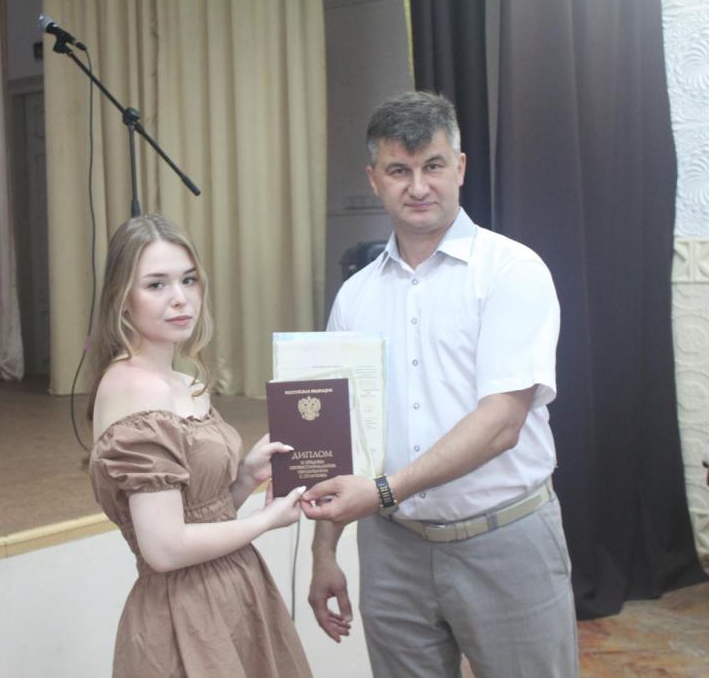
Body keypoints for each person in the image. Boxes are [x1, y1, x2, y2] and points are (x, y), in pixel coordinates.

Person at [301, 91, 579, 677]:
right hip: (392, 550)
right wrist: (325, 550)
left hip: (504, 540)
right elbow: (337, 434)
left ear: (460, 167)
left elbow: (501, 424)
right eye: (399, 170)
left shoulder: (511, 271)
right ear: (374, 179)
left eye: (432, 165)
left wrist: (383, 491)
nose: (419, 186)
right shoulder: (355, 296)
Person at [87, 214, 314, 678]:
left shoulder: (184, 382)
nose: (180, 297)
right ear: (122, 300)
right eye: (156, 284)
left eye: (188, 280)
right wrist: (265, 520)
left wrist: (246, 477)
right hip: (184, 612)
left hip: (235, 590)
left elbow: (197, 515)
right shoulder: (134, 388)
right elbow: (165, 548)